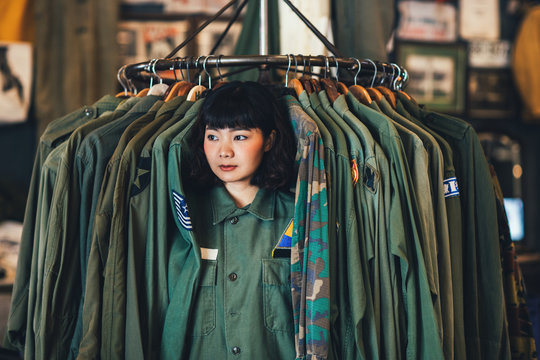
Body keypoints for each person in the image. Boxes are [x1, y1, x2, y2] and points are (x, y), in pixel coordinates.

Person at [183, 81, 297, 359]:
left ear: (269, 140)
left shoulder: (298, 218)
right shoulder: (185, 220)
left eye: (240, 137)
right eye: (213, 136)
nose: (224, 151)